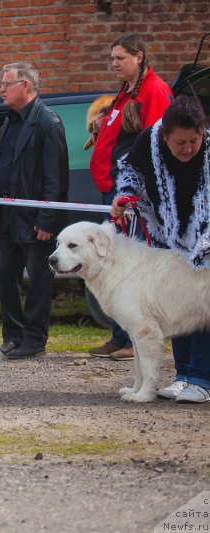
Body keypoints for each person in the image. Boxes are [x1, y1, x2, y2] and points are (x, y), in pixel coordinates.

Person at [111, 95, 210, 403]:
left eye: (194, 140)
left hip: (206, 237)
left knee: (202, 306)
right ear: (165, 135)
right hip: (166, 233)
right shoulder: (148, 141)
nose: (188, 148)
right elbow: (129, 171)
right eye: (180, 142)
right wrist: (125, 195)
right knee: (172, 305)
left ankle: (202, 379)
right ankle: (183, 375)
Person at [88, 33, 173, 361]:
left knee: (130, 267)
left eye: (120, 58)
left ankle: (132, 338)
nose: (114, 64)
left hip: (131, 196)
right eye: (112, 59)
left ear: (139, 57)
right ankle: (120, 334)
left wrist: (136, 193)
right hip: (114, 191)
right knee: (117, 265)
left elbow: (156, 142)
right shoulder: (127, 91)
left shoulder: (154, 90)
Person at [0, 62, 69, 360]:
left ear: (26, 86)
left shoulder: (47, 122)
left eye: (7, 83)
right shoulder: (10, 120)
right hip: (8, 215)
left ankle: (34, 339)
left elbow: (55, 176)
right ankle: (12, 335)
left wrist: (47, 219)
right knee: (6, 278)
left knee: (38, 280)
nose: (1, 89)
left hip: (34, 219)